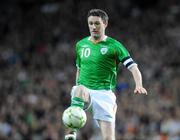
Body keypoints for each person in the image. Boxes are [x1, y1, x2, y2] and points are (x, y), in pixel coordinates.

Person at [64, 9, 147, 140]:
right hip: (86, 90)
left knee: (108, 138)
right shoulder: (80, 45)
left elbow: (133, 68)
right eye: (90, 23)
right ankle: (71, 133)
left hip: (104, 95)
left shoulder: (115, 46)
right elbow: (79, 69)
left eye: (97, 23)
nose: (93, 27)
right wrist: (77, 88)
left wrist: (139, 85)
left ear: (105, 24)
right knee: (79, 89)